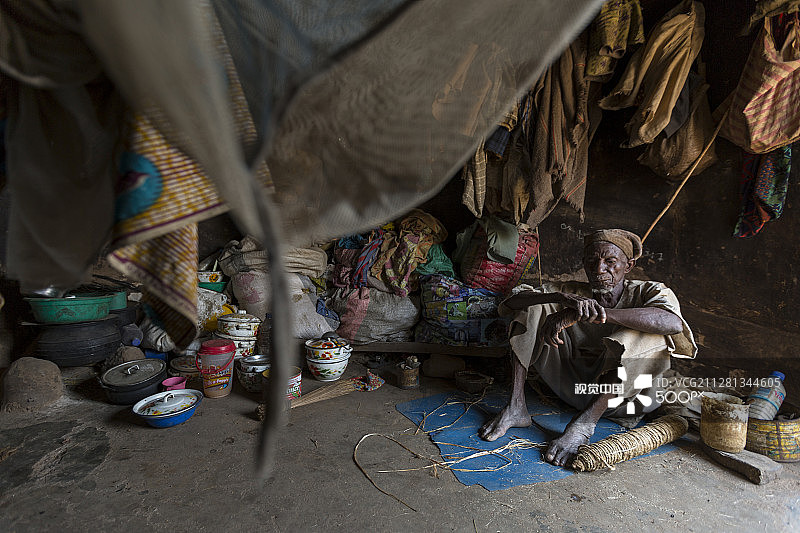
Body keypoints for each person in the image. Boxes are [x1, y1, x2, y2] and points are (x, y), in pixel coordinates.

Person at [478, 229, 697, 466]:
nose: (599, 269)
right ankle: (516, 406)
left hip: (626, 401)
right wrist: (562, 299)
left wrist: (593, 315)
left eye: (610, 261)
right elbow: (511, 303)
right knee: (534, 307)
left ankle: (584, 425)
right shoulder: (574, 293)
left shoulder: (650, 291)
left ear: (629, 265)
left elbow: (672, 323)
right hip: (573, 391)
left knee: (653, 334)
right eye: (592, 261)